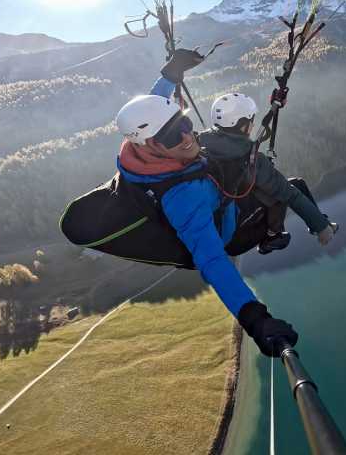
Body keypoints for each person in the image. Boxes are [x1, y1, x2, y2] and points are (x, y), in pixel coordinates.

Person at [114, 49, 297, 356]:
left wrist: (170, 74)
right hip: (227, 233)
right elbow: (212, 260)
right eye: (174, 138)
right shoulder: (182, 197)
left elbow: (153, 106)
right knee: (288, 190)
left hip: (216, 200)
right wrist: (255, 318)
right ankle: (270, 236)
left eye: (185, 125)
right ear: (152, 145)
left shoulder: (141, 145)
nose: (187, 138)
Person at [200, 92, 338, 255]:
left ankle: (319, 221)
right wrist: (322, 228)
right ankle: (273, 236)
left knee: (296, 183)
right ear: (242, 124)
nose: (252, 125)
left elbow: (255, 136)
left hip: (218, 220)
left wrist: (274, 107)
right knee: (285, 191)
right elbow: (290, 194)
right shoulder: (252, 160)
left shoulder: (204, 143)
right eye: (250, 121)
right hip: (236, 237)